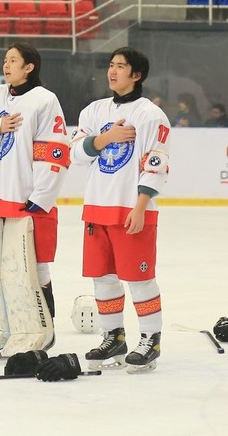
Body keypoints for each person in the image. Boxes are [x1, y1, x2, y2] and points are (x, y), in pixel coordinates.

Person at [0, 42, 70, 358]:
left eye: (13, 60)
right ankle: (5, 329)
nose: (6, 65)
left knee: (32, 267)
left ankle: (42, 330)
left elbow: (56, 150)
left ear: (29, 67)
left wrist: (42, 196)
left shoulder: (44, 100)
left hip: (25, 197)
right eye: (5, 60)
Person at [69, 47, 170, 373]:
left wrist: (140, 207)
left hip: (131, 210)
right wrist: (106, 138)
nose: (112, 71)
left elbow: (157, 164)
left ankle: (151, 340)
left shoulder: (150, 115)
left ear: (136, 75)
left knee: (140, 279)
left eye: (121, 66)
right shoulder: (94, 111)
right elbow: (75, 154)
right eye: (111, 65)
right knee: (103, 278)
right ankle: (113, 336)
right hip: (97, 208)